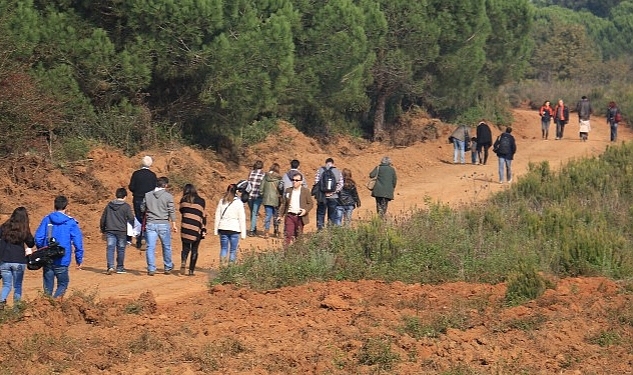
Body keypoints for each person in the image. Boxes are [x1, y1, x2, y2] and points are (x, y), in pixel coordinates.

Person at [34, 196, 84, 299]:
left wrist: (42, 250)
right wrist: (79, 259)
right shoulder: (71, 222)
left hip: (47, 258)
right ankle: (55, 303)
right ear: (66, 206)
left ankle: (46, 307)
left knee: (47, 289)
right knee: (63, 283)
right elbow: (78, 243)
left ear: (54, 205)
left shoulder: (46, 219)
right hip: (62, 259)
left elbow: (38, 238)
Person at [142, 176, 178, 276]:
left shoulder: (147, 195)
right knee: (166, 246)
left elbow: (142, 208)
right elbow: (171, 211)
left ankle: (151, 268)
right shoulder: (168, 196)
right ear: (165, 185)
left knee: (150, 247)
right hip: (163, 224)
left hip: (150, 223)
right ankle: (167, 267)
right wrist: (174, 224)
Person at [0, 207, 35, 308]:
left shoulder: (4, 226)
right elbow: (31, 243)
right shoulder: (24, 229)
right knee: (17, 286)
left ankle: (1, 301)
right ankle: (16, 309)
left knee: (6, 285)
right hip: (19, 261)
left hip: (4, 261)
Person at [99, 187, 134, 275]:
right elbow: (131, 218)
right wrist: (132, 229)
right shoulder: (126, 206)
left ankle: (110, 266)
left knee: (110, 248)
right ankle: (120, 267)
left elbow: (103, 218)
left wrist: (103, 230)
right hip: (122, 231)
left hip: (110, 230)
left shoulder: (109, 205)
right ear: (125, 196)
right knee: (121, 249)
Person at [128, 155, 157, 248]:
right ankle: (146, 238)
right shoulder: (153, 175)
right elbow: (155, 189)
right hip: (149, 200)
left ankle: (139, 239)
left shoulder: (136, 174)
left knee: (138, 218)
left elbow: (131, 187)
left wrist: (137, 191)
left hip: (138, 199)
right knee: (147, 219)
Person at [214, 183, 247, 265]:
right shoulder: (239, 203)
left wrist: (216, 230)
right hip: (234, 229)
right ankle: (230, 268)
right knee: (233, 250)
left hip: (223, 228)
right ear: (236, 191)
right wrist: (243, 234)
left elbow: (217, 216)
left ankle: (222, 266)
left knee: (224, 248)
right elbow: (242, 219)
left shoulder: (222, 201)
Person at [179, 184, 207, 276]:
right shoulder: (201, 201)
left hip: (185, 226)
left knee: (185, 248)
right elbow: (203, 214)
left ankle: (183, 261)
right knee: (194, 249)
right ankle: (191, 271)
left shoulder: (183, 200)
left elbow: (181, 211)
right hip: (196, 227)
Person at [278, 172, 314, 245]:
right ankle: (286, 252)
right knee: (288, 234)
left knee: (298, 236)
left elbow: (310, 203)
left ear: (301, 181)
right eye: (293, 180)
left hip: (300, 217)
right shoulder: (288, 190)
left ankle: (297, 252)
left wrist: (305, 210)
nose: (294, 181)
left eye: (297, 180)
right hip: (290, 216)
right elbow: (284, 204)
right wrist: (280, 215)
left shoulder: (305, 191)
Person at [313, 157, 344, 229]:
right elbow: (341, 184)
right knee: (332, 215)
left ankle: (320, 231)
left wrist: (323, 192)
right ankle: (330, 231)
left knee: (321, 213)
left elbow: (316, 182)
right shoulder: (337, 171)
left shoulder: (320, 170)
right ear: (333, 163)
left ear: (326, 163)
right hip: (334, 197)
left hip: (322, 197)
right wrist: (333, 192)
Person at [260, 162, 283, 238]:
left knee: (268, 215)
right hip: (276, 199)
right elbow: (281, 189)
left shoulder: (265, 177)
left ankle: (266, 231)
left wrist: (263, 195)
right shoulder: (279, 178)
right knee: (276, 215)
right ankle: (276, 231)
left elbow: (261, 189)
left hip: (267, 199)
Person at [246, 160, 265, 236]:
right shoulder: (263, 174)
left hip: (249, 195)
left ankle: (253, 228)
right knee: (254, 212)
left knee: (252, 212)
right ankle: (252, 230)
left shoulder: (251, 173)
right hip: (258, 196)